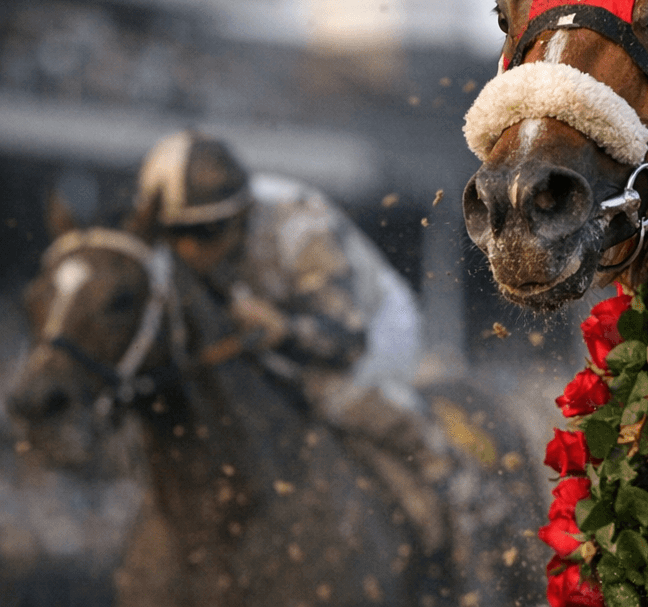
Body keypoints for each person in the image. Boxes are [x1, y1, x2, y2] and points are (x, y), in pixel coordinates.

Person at [133, 130, 456, 543]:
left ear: (241, 213)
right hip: (288, 327)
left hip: (373, 324)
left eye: (207, 232)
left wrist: (283, 330)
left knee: (330, 397)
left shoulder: (296, 224)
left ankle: (455, 482)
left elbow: (347, 340)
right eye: (175, 234)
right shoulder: (184, 250)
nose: (189, 250)